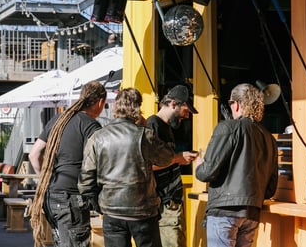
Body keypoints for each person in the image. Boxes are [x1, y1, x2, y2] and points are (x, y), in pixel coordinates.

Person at [79, 87, 174, 247]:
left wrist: (99, 204)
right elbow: (166, 158)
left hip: (112, 211)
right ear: (137, 108)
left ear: (115, 107)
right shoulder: (144, 135)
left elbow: (85, 181)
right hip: (143, 211)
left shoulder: (98, 137)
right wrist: (146, 127)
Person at [195, 83, 279, 247]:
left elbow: (207, 173)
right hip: (252, 213)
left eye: (230, 103)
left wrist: (199, 165)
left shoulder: (227, 127)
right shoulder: (269, 138)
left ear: (237, 104)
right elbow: (270, 189)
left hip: (224, 211)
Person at [28, 80, 108, 247]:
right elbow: (100, 161)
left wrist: (45, 179)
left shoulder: (58, 120)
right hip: (72, 199)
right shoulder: (90, 125)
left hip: (51, 195)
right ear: (100, 102)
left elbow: (34, 154)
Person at [146, 85, 199, 247]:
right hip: (164, 203)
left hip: (170, 202)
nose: (187, 116)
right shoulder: (152, 125)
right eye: (186, 110)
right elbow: (148, 165)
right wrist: (177, 158)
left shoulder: (166, 127)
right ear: (173, 104)